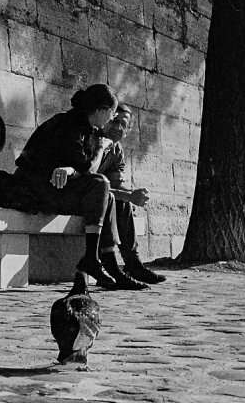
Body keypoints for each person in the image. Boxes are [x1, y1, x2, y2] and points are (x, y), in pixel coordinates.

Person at [14, 84, 148, 291]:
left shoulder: (87, 129)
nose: (111, 120)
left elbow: (78, 170)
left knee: (108, 197)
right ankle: (94, 260)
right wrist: (100, 150)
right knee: (100, 185)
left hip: (55, 189)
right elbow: (88, 170)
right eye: (112, 114)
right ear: (102, 110)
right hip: (32, 191)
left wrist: (70, 170)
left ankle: (109, 265)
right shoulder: (67, 125)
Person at [97, 105, 166, 284]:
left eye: (123, 124)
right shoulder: (92, 140)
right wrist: (127, 196)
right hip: (79, 195)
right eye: (113, 120)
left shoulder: (116, 150)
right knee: (119, 199)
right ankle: (109, 263)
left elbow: (116, 185)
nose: (117, 127)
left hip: (99, 199)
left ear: (127, 131)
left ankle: (132, 262)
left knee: (122, 201)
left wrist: (135, 194)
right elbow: (91, 185)